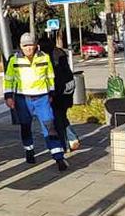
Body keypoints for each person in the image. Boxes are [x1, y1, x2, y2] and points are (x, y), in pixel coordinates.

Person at [5, 33, 69, 171]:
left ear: (35, 45)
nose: (28, 48)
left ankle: (58, 157)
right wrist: (8, 96)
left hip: (42, 98)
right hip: (23, 98)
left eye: (30, 45)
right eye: (25, 45)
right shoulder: (14, 59)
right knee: (25, 126)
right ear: (21, 46)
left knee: (49, 125)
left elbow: (50, 76)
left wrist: (51, 93)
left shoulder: (45, 57)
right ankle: (29, 150)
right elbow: (8, 79)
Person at [41, 37, 76, 150]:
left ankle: (65, 144)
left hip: (57, 93)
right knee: (61, 117)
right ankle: (72, 139)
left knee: (57, 120)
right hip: (66, 92)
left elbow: (55, 78)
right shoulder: (60, 53)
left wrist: (52, 93)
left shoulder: (49, 58)